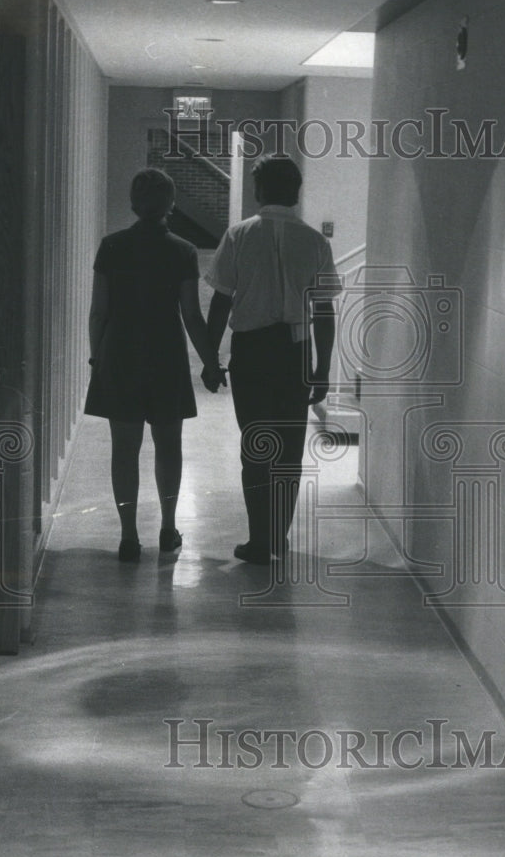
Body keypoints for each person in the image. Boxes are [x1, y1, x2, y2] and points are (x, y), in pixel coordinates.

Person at [205, 154, 341, 564]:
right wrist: (322, 370)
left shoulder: (239, 235)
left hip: (251, 353)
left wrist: (210, 358)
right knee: (289, 451)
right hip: (296, 353)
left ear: (260, 191)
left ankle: (259, 540)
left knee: (256, 447)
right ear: (296, 193)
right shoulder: (316, 241)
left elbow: (221, 302)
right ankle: (277, 536)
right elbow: (323, 312)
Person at [85, 168, 226, 561]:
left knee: (124, 450)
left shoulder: (111, 246)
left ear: (133, 203)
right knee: (168, 447)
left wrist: (98, 357)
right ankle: (167, 527)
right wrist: (212, 363)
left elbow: (99, 312)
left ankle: (129, 536)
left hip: (120, 354)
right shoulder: (182, 250)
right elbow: (192, 316)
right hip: (165, 356)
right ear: (171, 205)